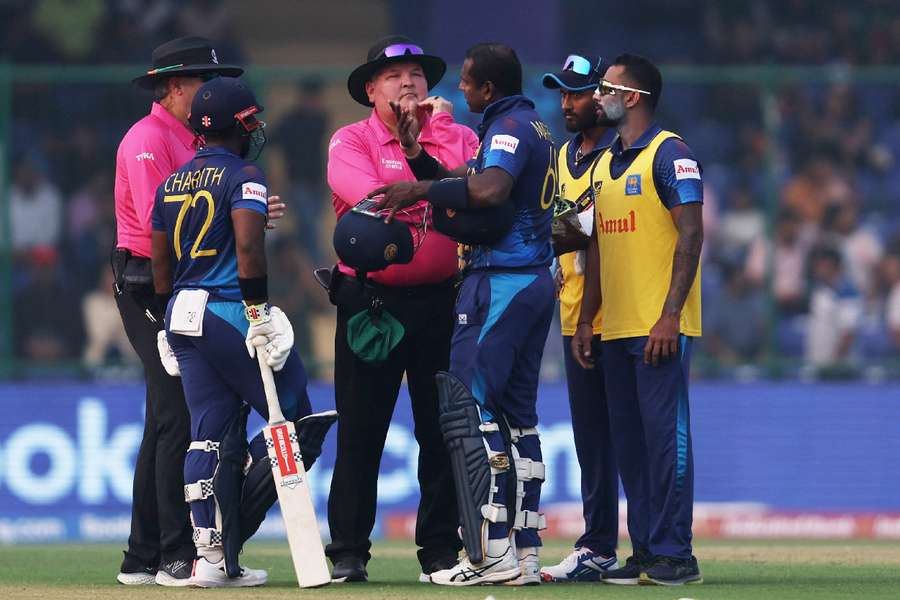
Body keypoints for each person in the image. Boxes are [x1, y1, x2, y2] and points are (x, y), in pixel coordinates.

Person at [373, 42, 556, 587]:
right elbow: (476, 201)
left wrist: (419, 187)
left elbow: (490, 191)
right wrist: (419, 162)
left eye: (469, 83)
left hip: (499, 282)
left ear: (489, 89)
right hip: (531, 281)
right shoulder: (535, 128)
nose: (462, 92)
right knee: (517, 419)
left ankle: (488, 553)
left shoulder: (506, 130)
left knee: (468, 412)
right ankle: (524, 554)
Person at [150, 76, 336, 587]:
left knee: (205, 433)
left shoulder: (170, 182)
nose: (256, 127)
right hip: (229, 309)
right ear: (237, 125)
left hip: (183, 314)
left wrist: (169, 317)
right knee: (299, 418)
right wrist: (257, 311)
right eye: (250, 119)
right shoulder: (245, 174)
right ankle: (230, 535)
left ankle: (209, 559)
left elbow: (160, 261)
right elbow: (250, 250)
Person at [112, 36, 283, 586]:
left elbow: (199, 216)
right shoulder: (147, 138)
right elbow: (158, 215)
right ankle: (176, 554)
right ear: (173, 87)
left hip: (182, 282)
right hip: (147, 282)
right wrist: (234, 218)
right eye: (201, 83)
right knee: (176, 415)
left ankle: (143, 557)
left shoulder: (190, 139)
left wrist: (246, 214)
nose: (210, 93)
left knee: (164, 418)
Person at [324, 35, 478, 583]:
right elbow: (373, 198)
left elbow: (475, 195)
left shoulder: (459, 136)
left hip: (443, 300)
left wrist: (427, 166)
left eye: (415, 74)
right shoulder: (350, 139)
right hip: (372, 303)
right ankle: (347, 552)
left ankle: (438, 553)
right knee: (362, 430)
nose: (407, 82)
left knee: (441, 432)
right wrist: (434, 191)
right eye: (392, 75)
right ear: (370, 90)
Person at [573, 53, 704, 586]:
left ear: (632, 97)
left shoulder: (670, 154)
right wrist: (587, 320)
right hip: (614, 328)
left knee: (664, 441)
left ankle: (678, 553)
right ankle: (647, 549)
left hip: (659, 329)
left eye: (605, 87)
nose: (595, 95)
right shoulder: (604, 163)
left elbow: (692, 234)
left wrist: (670, 316)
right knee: (629, 446)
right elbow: (597, 247)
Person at [537, 53, 621, 583]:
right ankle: (598, 546)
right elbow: (565, 232)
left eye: (579, 92)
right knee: (592, 439)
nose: (568, 103)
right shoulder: (561, 157)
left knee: (633, 440)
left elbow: (600, 234)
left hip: (626, 316)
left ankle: (660, 546)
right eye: (563, 93)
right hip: (575, 318)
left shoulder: (623, 154)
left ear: (605, 96)